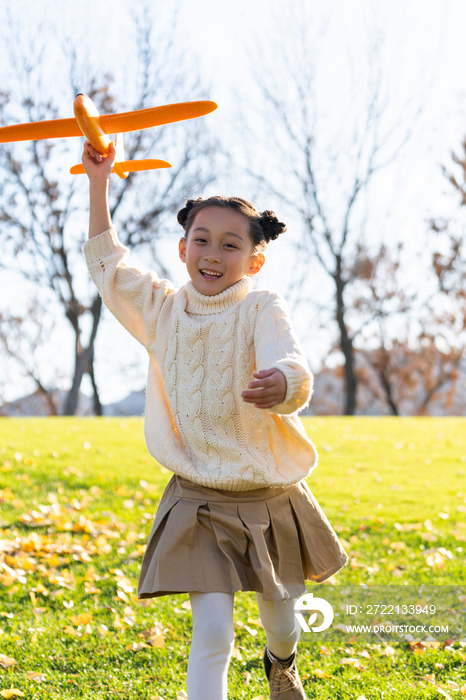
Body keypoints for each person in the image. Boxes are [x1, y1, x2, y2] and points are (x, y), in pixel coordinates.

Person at [81, 140, 349, 700]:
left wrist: (284, 384)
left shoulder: (261, 307)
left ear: (254, 261)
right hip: (197, 499)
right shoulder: (161, 310)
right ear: (182, 249)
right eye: (201, 240)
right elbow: (109, 268)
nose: (213, 252)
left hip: (268, 494)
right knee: (212, 636)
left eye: (230, 244)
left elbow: (291, 360)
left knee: (281, 615)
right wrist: (98, 181)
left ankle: (282, 663)